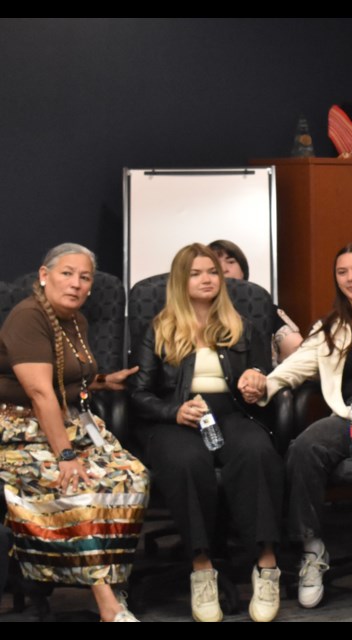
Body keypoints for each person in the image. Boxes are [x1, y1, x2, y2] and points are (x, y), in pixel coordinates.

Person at [129, 243, 285, 623]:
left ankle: (266, 565)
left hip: (230, 415)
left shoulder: (242, 327)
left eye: (212, 272)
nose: (206, 279)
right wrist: (174, 411)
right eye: (196, 273)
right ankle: (201, 568)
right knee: (186, 460)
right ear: (181, 281)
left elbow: (264, 381)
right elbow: (138, 393)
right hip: (177, 419)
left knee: (258, 452)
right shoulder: (160, 328)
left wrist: (257, 384)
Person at [0, 243, 147, 622]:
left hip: (68, 421)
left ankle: (115, 580)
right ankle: (108, 604)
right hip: (21, 430)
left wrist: (99, 381)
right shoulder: (28, 317)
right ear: (44, 275)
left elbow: (64, 376)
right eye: (67, 273)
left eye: (85, 277)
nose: (76, 283)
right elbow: (39, 392)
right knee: (77, 488)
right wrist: (66, 457)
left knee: (131, 477)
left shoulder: (76, 321)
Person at [250, 242, 352, 614]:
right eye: (342, 272)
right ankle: (312, 549)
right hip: (346, 415)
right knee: (304, 447)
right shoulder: (331, 327)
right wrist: (266, 384)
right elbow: (297, 367)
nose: (350, 278)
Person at [208, 239, 303, 364]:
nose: (224, 269)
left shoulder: (264, 308)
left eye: (231, 262)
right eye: (215, 263)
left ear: (243, 271)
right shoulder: (193, 310)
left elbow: (297, 349)